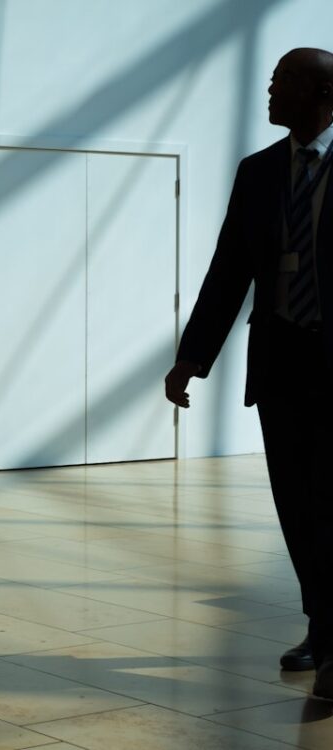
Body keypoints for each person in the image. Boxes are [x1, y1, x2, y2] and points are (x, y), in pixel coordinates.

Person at [165, 47, 333, 700]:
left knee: (330, 510)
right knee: (296, 508)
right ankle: (322, 631)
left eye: (283, 80)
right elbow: (229, 268)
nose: (269, 89)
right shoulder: (259, 172)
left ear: (322, 92)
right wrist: (192, 356)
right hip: (283, 368)